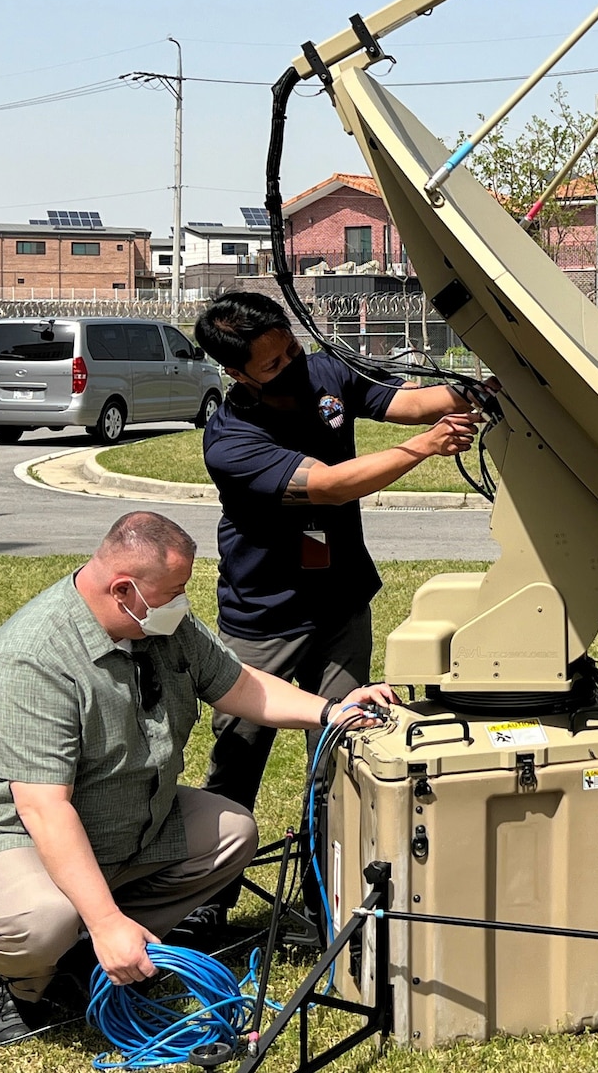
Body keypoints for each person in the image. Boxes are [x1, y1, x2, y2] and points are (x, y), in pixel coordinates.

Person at [0, 511, 395, 1044]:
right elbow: (43, 809)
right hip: (6, 832)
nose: (183, 603)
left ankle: (89, 950)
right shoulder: (33, 659)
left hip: (117, 812)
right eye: (175, 591)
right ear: (123, 589)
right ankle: (17, 983)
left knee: (232, 832)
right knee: (43, 918)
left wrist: (330, 711)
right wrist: (103, 923)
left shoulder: (157, 621)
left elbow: (238, 685)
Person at [188, 290, 487, 924]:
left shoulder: (323, 369)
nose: (291, 366)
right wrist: (422, 449)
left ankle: (330, 894)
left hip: (340, 605)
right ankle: (208, 904)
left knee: (346, 751)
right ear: (235, 372)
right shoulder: (230, 439)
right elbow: (325, 485)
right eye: (272, 365)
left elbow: (402, 401)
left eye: (290, 349)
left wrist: (474, 391)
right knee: (238, 763)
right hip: (264, 618)